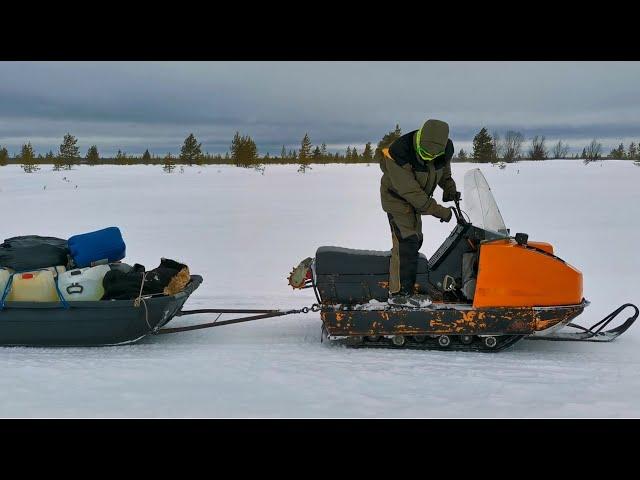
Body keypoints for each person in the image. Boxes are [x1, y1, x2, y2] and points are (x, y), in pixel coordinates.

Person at [379, 119, 460, 307]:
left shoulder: (443, 150)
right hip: (398, 200)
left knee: (416, 240)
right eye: (424, 154)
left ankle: (409, 282)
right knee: (407, 242)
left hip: (419, 200)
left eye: (434, 155)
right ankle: (399, 294)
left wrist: (450, 189)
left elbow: (444, 172)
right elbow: (411, 193)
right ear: (418, 142)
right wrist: (439, 211)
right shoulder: (399, 154)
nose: (429, 159)